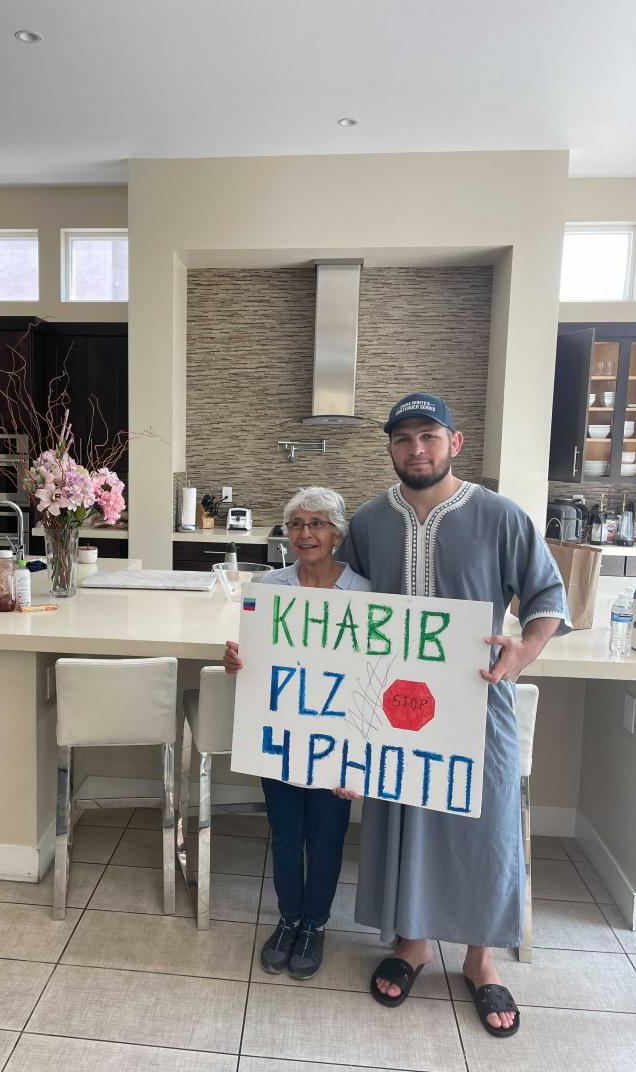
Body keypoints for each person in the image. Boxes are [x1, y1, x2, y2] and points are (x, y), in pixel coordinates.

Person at [336, 392, 569, 1040]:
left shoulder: (500, 516)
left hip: (476, 701)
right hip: (392, 706)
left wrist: (524, 649)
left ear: (454, 443)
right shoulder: (368, 522)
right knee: (405, 813)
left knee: (483, 824)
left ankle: (480, 957)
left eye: (429, 437)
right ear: (390, 447)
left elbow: (547, 593)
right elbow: (335, 612)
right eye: (404, 438)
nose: (417, 450)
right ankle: (412, 942)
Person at [223, 486, 371, 980]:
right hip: (281, 738)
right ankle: (288, 919)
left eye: (318, 523)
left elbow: (378, 675)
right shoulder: (268, 589)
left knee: (326, 836)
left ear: (337, 533)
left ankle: (316, 924)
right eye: (297, 524)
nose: (307, 533)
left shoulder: (366, 593)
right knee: (285, 834)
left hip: (338, 740)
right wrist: (235, 661)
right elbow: (255, 661)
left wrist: (365, 755)